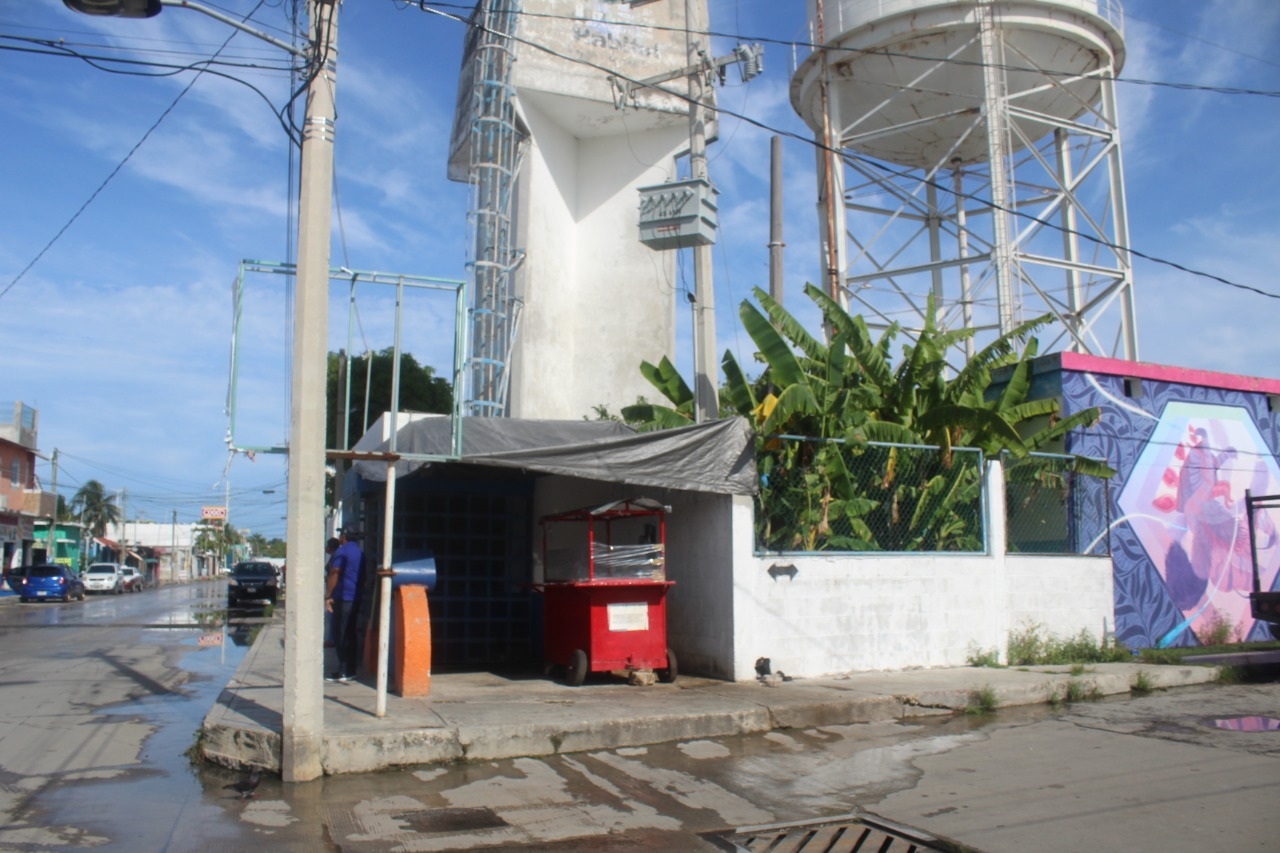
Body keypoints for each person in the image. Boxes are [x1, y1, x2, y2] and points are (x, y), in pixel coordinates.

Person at [325, 528, 365, 682]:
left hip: (342, 598)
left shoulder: (342, 552)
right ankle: (350, 668)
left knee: (340, 634)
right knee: (350, 633)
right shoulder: (360, 553)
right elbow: (362, 577)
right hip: (354, 597)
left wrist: (328, 594)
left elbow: (335, 572)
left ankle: (344, 670)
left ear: (343, 537)